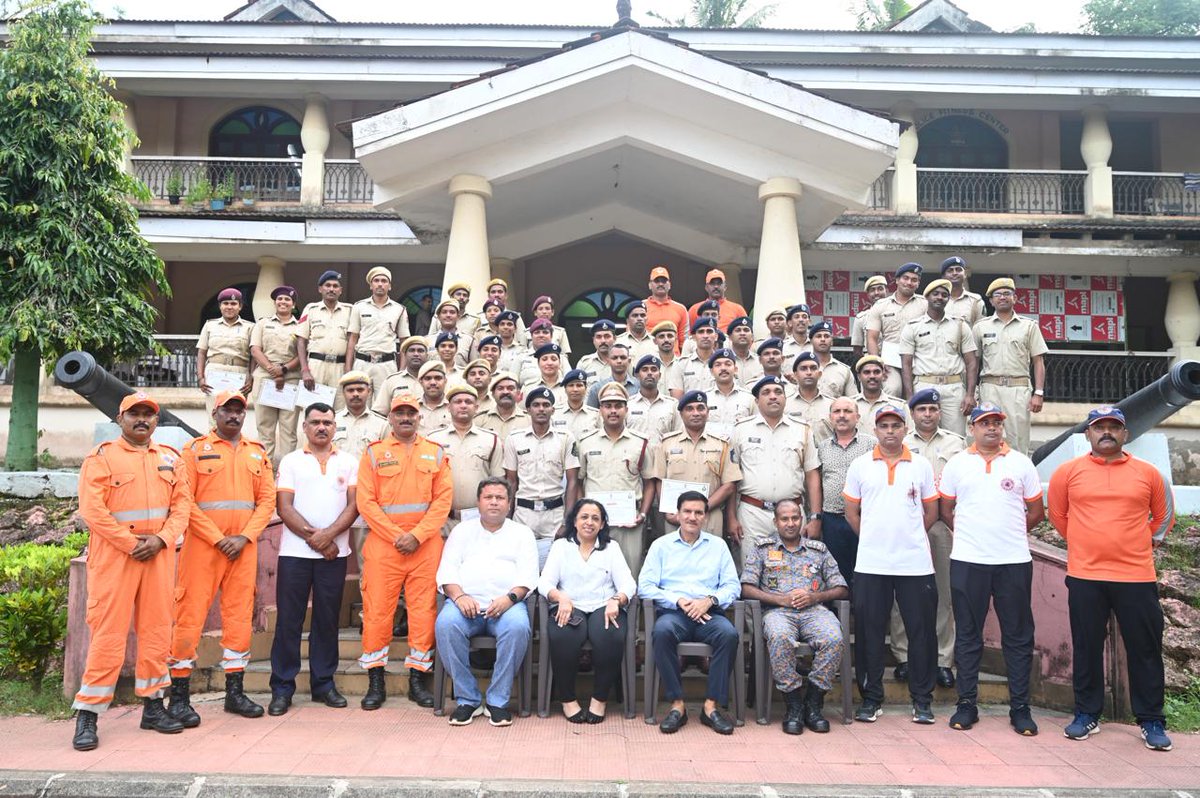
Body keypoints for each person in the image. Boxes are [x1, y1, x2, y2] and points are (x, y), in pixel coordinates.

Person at [1048, 406, 1175, 751]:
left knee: (1145, 649)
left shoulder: (1148, 473)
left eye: (1113, 427)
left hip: (1135, 575)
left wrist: (1140, 542)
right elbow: (1058, 515)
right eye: (1099, 427)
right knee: (1087, 646)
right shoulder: (1067, 472)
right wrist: (1084, 542)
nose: (1107, 432)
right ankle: (1086, 713)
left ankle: (1151, 719)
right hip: (1086, 575)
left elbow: (1163, 517)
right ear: (1088, 434)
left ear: (1125, 434)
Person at [71, 392, 189, 751]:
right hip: (116, 559)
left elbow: (182, 506)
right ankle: (88, 714)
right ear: (120, 420)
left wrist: (163, 539)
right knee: (108, 633)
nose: (142, 420)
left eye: (148, 415)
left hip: (158, 556)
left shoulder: (171, 458)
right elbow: (93, 510)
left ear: (156, 421)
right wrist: (131, 543)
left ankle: (153, 706)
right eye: (134, 414)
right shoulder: (102, 457)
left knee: (156, 631)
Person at [168, 390, 276, 723]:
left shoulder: (257, 453)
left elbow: (267, 502)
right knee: (189, 617)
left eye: (239, 411)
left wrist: (244, 536)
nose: (234, 416)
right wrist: (218, 539)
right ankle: (179, 697)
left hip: (242, 550)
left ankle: (235, 693)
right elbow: (185, 501)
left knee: (239, 618)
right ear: (214, 414)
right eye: (227, 411)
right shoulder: (194, 450)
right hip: (203, 549)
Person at [939, 402, 1044, 736]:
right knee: (968, 636)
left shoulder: (1021, 463)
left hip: (1013, 561)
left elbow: (1036, 511)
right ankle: (967, 704)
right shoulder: (958, 463)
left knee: (1017, 636)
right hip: (969, 561)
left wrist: (1007, 533)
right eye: (984, 423)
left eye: (997, 422)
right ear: (972, 428)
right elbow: (946, 508)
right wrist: (975, 533)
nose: (992, 428)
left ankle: (1021, 708)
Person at [355, 392, 453, 711]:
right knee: (377, 612)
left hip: (425, 547)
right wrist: (398, 535)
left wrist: (418, 535)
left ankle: (417, 679)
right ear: (391, 418)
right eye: (400, 413)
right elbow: (365, 502)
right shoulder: (374, 453)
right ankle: (376, 680)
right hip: (385, 546)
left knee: (423, 613)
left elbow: (442, 501)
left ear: (419, 416)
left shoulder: (436, 454)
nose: (406, 418)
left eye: (411, 412)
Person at [843, 404, 939, 725]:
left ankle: (922, 700)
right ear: (875, 430)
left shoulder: (922, 465)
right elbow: (851, 513)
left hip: (915, 564)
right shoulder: (859, 465)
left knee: (921, 632)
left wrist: (907, 536)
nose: (890, 431)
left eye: (895, 425)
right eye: (883, 426)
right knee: (870, 633)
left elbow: (931, 513)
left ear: (905, 428)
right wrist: (875, 537)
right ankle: (871, 699)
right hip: (871, 563)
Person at [268, 402, 359, 716]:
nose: (322, 427)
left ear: (335, 427)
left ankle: (324, 684)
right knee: (289, 622)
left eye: (328, 422)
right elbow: (284, 507)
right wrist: (318, 540)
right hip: (295, 555)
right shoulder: (292, 461)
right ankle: (282, 688)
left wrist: (329, 536)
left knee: (326, 621)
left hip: (335, 554)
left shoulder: (349, 462)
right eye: (316, 422)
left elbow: (354, 506)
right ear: (304, 427)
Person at [435, 478, 539, 727]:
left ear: (509, 503)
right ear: (478, 502)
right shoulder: (462, 531)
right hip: (464, 606)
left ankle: (497, 701)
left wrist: (510, 598)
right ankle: (468, 699)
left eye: (500, 498)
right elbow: (446, 571)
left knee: (517, 627)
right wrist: (459, 596)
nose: (494, 502)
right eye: (488, 497)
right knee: (446, 624)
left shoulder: (522, 533)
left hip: (507, 607)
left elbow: (529, 576)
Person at [741, 500, 848, 735]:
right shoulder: (762, 548)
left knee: (834, 638)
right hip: (777, 612)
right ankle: (793, 704)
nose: (790, 524)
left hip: (814, 611)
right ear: (775, 521)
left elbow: (841, 588)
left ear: (802, 519)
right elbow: (746, 587)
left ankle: (813, 700)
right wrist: (779, 599)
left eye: (795, 518)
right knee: (779, 637)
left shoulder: (818, 550)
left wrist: (815, 597)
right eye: (784, 519)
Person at [639, 491, 742, 735]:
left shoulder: (718, 546)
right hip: (675, 614)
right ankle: (677, 706)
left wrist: (709, 600)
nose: (692, 517)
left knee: (728, 635)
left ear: (705, 516)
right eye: (687, 511)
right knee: (661, 632)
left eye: (698, 512)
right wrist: (678, 600)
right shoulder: (661, 546)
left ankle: (711, 707)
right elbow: (645, 586)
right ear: (677, 514)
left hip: (709, 614)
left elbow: (732, 585)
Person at [538, 498, 637, 724]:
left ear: (602, 524)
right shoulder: (561, 546)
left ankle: (599, 699)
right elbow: (545, 583)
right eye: (584, 517)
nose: (589, 522)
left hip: (604, 605)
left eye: (595, 518)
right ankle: (567, 699)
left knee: (610, 634)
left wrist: (617, 600)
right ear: (574, 521)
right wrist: (560, 597)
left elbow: (628, 584)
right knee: (563, 633)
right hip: (570, 605)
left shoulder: (612, 548)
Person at [891, 388, 964, 689]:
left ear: (939, 412)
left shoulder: (956, 443)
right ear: (912, 414)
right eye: (921, 410)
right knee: (902, 594)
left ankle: (943, 660)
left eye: (932, 410)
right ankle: (905, 657)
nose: (927, 415)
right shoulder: (901, 443)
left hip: (942, 525)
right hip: (908, 525)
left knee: (944, 593)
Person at [727, 376, 821, 570]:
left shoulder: (802, 429)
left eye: (778, 392)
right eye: (766, 393)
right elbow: (732, 477)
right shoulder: (740, 430)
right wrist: (731, 517)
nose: (773, 397)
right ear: (756, 401)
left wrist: (815, 518)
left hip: (792, 514)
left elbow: (812, 475)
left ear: (785, 398)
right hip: (753, 513)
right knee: (752, 571)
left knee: (792, 571)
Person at [578, 383, 655, 574]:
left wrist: (643, 514)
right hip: (593, 521)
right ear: (600, 410)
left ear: (626, 409)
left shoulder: (641, 442)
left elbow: (650, 483)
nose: (613, 411)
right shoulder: (586, 442)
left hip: (629, 521)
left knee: (630, 571)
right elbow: (579, 481)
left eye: (618, 406)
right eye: (607, 405)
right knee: (593, 571)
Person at [504, 386, 580, 567]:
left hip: (554, 513)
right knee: (523, 565)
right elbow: (511, 482)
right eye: (536, 405)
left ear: (553, 410)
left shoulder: (565, 438)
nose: (541, 409)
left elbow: (572, 481)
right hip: (524, 513)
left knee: (556, 566)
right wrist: (507, 518)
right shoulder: (514, 439)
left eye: (546, 405)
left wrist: (567, 521)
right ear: (528, 409)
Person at [973, 277, 1048, 454]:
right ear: (991, 301)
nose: (1002, 297)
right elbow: (974, 363)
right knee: (987, 438)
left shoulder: (1029, 326)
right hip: (989, 388)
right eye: (997, 294)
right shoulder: (980, 327)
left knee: (1019, 441)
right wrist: (972, 392)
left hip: (1018, 389)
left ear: (1015, 298)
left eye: (1007, 293)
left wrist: (1038, 393)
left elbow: (1038, 361)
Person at [653, 390, 742, 537]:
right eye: (690, 409)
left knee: (709, 559)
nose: (696, 413)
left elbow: (729, 485)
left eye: (700, 408)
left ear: (707, 413)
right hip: (677, 517)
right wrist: (668, 511)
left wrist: (702, 508)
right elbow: (659, 480)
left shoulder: (723, 444)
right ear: (681, 414)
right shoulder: (666, 443)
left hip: (710, 516)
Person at [899, 278, 978, 436]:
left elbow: (971, 363)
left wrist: (970, 394)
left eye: (944, 295)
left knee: (956, 437)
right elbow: (906, 365)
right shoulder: (913, 327)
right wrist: (910, 397)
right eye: (935, 294)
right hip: (923, 385)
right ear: (927, 297)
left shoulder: (960, 325)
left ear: (948, 299)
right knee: (922, 436)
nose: (939, 297)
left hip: (954, 389)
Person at [816, 397, 876, 589]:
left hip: (863, 517)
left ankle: (864, 616)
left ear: (857, 417)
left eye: (848, 411)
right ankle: (836, 617)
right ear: (830, 417)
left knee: (864, 573)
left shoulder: (871, 445)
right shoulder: (822, 447)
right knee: (835, 575)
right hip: (832, 520)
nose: (842, 416)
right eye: (837, 412)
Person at [427, 384, 503, 536]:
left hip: (480, 520)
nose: (463, 406)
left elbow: (498, 483)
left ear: (476, 407)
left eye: (468, 402)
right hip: (443, 520)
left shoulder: (491, 440)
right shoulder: (432, 440)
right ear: (448, 407)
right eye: (458, 402)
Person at [250, 285, 301, 467]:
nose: (283, 302)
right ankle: (265, 470)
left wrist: (284, 370)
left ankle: (287, 471)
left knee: (289, 429)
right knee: (265, 427)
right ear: (275, 302)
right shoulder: (263, 324)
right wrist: (272, 370)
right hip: (265, 378)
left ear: (293, 304)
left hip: (291, 379)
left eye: (287, 299)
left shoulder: (300, 326)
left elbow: (302, 354)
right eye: (280, 299)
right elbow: (255, 349)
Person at [865, 263, 927, 397]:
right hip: (890, 362)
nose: (909, 282)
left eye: (914, 280)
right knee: (892, 390)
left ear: (918, 284)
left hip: (918, 360)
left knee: (920, 395)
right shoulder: (881, 305)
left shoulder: (925, 304)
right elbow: (872, 337)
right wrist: (877, 362)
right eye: (905, 278)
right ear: (897, 280)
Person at [346, 266, 410, 396]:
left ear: (389, 286)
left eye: (384, 281)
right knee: (359, 401)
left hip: (386, 364)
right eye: (376, 280)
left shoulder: (399, 309)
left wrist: (402, 370)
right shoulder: (359, 306)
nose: (380, 284)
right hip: (362, 363)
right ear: (371, 285)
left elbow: (405, 343)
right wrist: (348, 367)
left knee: (385, 405)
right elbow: (353, 339)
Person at [296, 270, 351, 411]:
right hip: (316, 366)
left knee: (340, 410)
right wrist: (305, 370)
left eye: (335, 286)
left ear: (340, 290)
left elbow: (352, 342)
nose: (331, 289)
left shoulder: (350, 310)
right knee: (312, 411)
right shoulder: (311, 309)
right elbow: (301, 341)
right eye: (327, 285)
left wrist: (349, 370)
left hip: (340, 367)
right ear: (320, 289)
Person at [196, 287, 253, 420]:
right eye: (225, 303)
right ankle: (213, 441)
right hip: (214, 371)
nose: (229, 307)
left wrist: (251, 378)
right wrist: (200, 377)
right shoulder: (210, 325)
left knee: (235, 417)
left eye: (233, 304)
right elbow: (201, 353)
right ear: (220, 306)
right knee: (214, 415)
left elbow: (253, 355)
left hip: (239, 373)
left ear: (240, 306)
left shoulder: (249, 327)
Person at [626, 354, 679, 445]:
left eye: (654, 369)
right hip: (636, 458)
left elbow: (677, 436)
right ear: (637, 375)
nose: (649, 373)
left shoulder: (672, 405)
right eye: (645, 369)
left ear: (659, 375)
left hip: (663, 457)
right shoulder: (628, 405)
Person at [705, 348, 756, 440]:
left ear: (735, 369)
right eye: (718, 365)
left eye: (728, 364)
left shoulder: (749, 398)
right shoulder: (705, 398)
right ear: (712, 372)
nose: (723, 368)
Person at [852, 355, 908, 436]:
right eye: (867, 372)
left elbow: (909, 435)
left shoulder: (899, 406)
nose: (872, 376)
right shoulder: (850, 406)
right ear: (859, 377)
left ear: (883, 375)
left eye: (877, 372)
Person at [785, 352, 834, 443]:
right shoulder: (785, 404)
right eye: (803, 369)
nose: (809, 372)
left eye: (813, 368)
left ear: (819, 374)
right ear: (795, 375)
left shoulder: (832, 404)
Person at [372, 336, 429, 414]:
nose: (416, 354)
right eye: (412, 351)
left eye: (420, 351)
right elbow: (379, 413)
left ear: (427, 355)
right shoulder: (392, 381)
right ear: (404, 355)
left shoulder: (436, 381)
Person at [667, 317, 720, 397]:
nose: (705, 336)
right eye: (701, 332)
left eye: (709, 331)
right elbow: (677, 400)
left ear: (716, 336)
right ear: (694, 337)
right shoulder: (681, 364)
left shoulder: (724, 364)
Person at [644, 265, 689, 354]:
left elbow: (684, 342)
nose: (660, 284)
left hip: (674, 361)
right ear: (650, 285)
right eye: (657, 281)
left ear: (669, 285)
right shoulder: (640, 307)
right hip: (648, 361)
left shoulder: (681, 309)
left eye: (664, 281)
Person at [474, 372, 531, 439]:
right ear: (493, 394)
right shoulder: (479, 420)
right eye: (500, 388)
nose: (505, 392)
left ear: (518, 393)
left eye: (510, 388)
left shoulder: (529, 420)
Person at [809, 322, 854, 399]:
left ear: (832, 341)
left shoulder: (844, 370)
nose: (823, 339)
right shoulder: (803, 368)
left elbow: (852, 401)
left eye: (826, 336)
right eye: (818, 336)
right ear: (811, 341)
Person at [554, 368, 600, 441]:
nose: (575, 389)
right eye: (571, 385)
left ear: (586, 388)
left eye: (579, 385)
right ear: (565, 389)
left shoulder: (596, 414)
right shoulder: (554, 414)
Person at [586, 342, 637, 408]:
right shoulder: (597, 389)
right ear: (609, 361)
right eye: (615, 358)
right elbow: (592, 414)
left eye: (623, 357)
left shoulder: (639, 386)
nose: (619, 361)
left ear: (629, 361)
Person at [851, 275, 888, 364]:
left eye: (880, 289)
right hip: (872, 364)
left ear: (886, 291)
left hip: (894, 362)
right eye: (872, 290)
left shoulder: (897, 313)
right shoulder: (861, 318)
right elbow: (857, 350)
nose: (876, 293)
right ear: (867, 294)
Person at [940, 256, 985, 326]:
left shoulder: (975, 300)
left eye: (958, 270)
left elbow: (981, 328)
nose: (954, 273)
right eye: (950, 270)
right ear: (943, 277)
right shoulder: (937, 299)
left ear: (965, 274)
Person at [529, 295, 573, 359]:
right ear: (535, 312)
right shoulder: (527, 332)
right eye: (540, 309)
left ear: (552, 312)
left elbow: (564, 355)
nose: (544, 312)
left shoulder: (560, 332)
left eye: (547, 308)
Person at [415, 360, 452, 435]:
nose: (433, 383)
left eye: (438, 378)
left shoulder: (454, 407)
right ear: (421, 382)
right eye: (428, 378)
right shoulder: (413, 407)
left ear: (445, 381)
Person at [725, 316, 762, 388]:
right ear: (730, 337)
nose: (742, 333)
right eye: (738, 330)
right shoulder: (723, 362)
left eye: (746, 330)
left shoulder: (760, 362)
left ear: (752, 337)